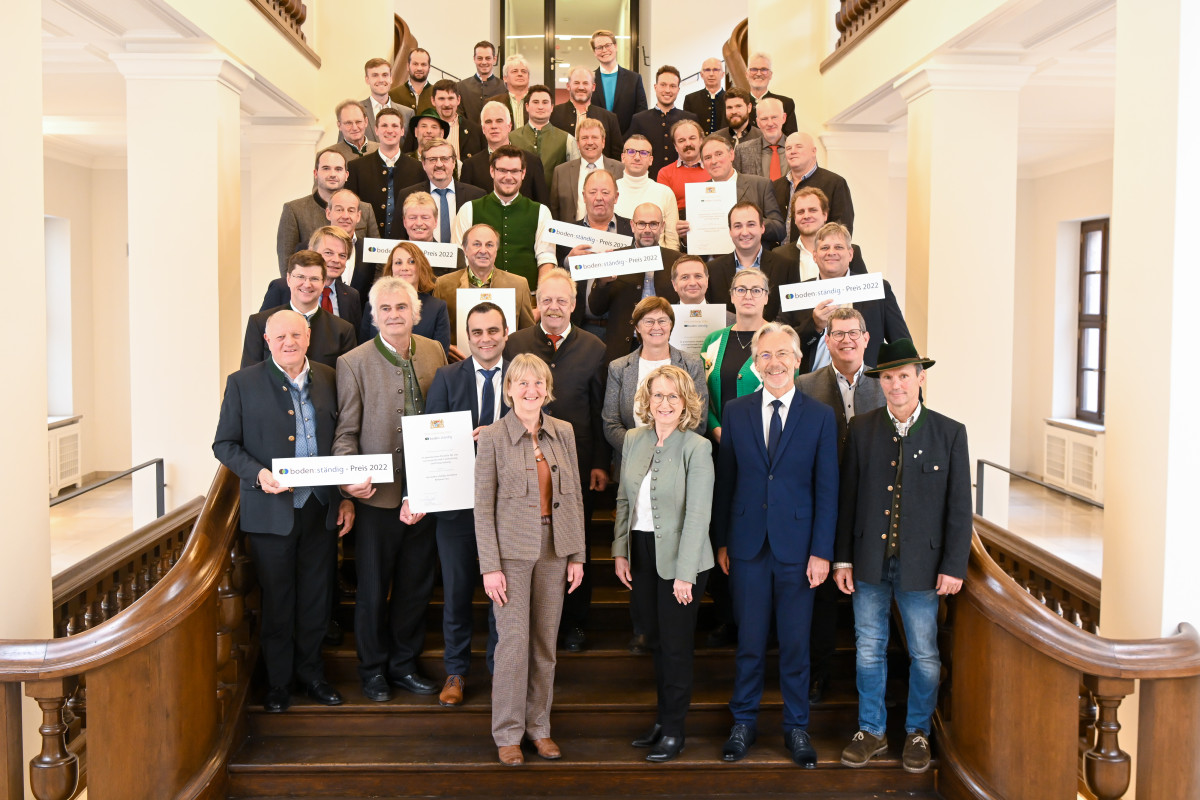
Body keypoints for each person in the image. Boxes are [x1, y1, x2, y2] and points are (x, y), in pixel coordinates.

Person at [833, 338, 971, 775]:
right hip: (869, 561)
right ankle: (871, 730)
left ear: (920, 378)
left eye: (904, 376)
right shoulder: (862, 429)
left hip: (924, 566)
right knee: (868, 649)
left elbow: (958, 508)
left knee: (925, 655)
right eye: (888, 377)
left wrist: (953, 564)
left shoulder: (950, 432)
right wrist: (842, 559)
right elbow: (848, 499)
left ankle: (917, 733)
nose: (896, 384)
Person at [213, 309, 354, 713]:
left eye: (296, 334)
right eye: (280, 337)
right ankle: (278, 683)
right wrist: (258, 474)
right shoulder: (242, 383)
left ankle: (312, 676)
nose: (289, 342)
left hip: (320, 509)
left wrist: (345, 497)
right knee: (278, 601)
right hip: (272, 512)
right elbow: (224, 444)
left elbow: (341, 441)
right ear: (267, 342)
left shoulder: (330, 378)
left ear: (308, 337)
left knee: (316, 598)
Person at [712, 321, 838, 767]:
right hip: (746, 546)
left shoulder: (821, 415)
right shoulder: (736, 410)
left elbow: (828, 489)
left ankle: (796, 727)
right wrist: (722, 542)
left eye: (783, 353)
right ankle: (743, 722)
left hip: (800, 552)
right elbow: (726, 480)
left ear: (798, 359)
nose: (775, 362)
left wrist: (822, 551)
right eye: (765, 355)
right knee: (748, 641)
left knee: (795, 643)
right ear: (754, 362)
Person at [333, 276, 448, 703]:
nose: (394, 315)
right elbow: (346, 433)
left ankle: (403, 664)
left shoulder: (434, 351)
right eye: (386, 309)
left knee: (416, 585)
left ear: (415, 312)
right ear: (374, 314)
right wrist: (348, 480)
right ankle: (372, 670)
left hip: (427, 493)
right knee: (373, 586)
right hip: (378, 498)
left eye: (401, 307)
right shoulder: (354, 362)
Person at [475, 352, 586, 766]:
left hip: (555, 549)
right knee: (514, 643)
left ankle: (539, 728)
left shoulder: (564, 432)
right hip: (510, 555)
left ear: (547, 389)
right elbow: (482, 507)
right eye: (522, 383)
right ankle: (507, 733)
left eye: (538, 383)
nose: (530, 390)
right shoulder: (493, 437)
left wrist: (576, 554)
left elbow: (572, 495)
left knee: (544, 643)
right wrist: (490, 566)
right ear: (508, 389)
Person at [612, 365, 714, 762]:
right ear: (647, 401)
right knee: (653, 641)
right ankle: (661, 719)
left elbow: (698, 515)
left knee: (675, 647)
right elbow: (623, 500)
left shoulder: (696, 447)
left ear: (686, 401)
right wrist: (620, 551)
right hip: (641, 552)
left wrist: (685, 574)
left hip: (682, 560)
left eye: (673, 396)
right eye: (658, 395)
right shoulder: (635, 440)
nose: (665, 403)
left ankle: (675, 730)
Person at [503, 269, 609, 653]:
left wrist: (600, 462)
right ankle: (532, 622)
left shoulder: (594, 347)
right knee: (530, 545)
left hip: (577, 466)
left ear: (574, 304)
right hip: (523, 466)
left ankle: (574, 624)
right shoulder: (515, 344)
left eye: (562, 300)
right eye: (546, 299)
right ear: (536, 304)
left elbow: (600, 411)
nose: (554, 307)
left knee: (573, 544)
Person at [423, 301, 511, 706]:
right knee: (457, 591)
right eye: (477, 332)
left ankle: (499, 672)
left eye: (493, 331)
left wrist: (498, 433)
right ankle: (455, 672)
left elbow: (540, 428)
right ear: (467, 338)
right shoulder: (445, 377)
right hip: (457, 504)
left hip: (510, 506)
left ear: (506, 333)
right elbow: (429, 440)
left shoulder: (523, 375)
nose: (485, 339)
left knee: (503, 594)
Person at [796, 307, 885, 703]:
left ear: (866, 339)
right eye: (838, 334)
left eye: (854, 333)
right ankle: (817, 673)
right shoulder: (804, 385)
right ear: (827, 340)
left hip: (872, 506)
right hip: (819, 506)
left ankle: (871, 679)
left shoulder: (887, 385)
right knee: (820, 598)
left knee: (870, 591)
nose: (846, 339)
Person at [602, 297, 707, 474]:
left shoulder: (692, 364)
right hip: (632, 462)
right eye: (648, 321)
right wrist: (641, 450)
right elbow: (611, 423)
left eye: (662, 321)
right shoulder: (619, 368)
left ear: (671, 325)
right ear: (637, 327)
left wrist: (667, 451)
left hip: (678, 463)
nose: (656, 327)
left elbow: (699, 419)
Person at [789, 222, 909, 374]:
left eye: (838, 247)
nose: (831, 252)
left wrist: (913, 395)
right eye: (825, 248)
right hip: (811, 388)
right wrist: (815, 327)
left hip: (867, 386)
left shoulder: (877, 289)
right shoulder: (796, 294)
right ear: (814, 255)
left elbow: (902, 345)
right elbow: (784, 348)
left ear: (851, 254)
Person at [452, 145, 559, 290]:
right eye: (502, 170)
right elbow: (460, 260)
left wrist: (540, 304)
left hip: (529, 299)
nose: (508, 177)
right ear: (492, 171)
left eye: (515, 171)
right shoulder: (468, 209)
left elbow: (546, 259)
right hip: (479, 298)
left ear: (523, 173)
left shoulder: (541, 212)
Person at [588, 203, 681, 364]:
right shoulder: (615, 258)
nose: (647, 229)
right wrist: (602, 283)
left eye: (653, 224)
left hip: (667, 347)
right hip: (624, 349)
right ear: (632, 225)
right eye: (641, 223)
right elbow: (596, 309)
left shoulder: (677, 261)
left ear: (662, 227)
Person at [241, 251, 357, 370]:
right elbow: (247, 379)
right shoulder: (259, 323)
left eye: (314, 279)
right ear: (288, 279)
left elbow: (346, 382)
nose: (307, 284)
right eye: (300, 277)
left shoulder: (342, 330)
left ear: (323, 283)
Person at [434, 223, 536, 357]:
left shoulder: (519, 285)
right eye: (477, 244)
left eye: (489, 245)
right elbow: (436, 334)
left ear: (496, 250)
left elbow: (528, 335)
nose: (483, 250)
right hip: (460, 365)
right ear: (464, 248)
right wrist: (447, 348)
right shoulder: (444, 284)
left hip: (507, 366)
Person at [276, 148, 379, 277]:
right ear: (315, 173)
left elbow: (377, 259)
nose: (332, 174)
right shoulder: (294, 210)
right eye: (326, 168)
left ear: (346, 175)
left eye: (338, 169)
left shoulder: (365, 209)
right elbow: (287, 265)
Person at [678, 134, 785, 248]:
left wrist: (752, 222)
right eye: (708, 157)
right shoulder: (697, 194)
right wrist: (685, 237)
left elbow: (779, 231)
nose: (714, 161)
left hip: (753, 262)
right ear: (703, 163)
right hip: (712, 261)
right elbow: (692, 242)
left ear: (731, 155)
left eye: (719, 154)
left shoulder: (760, 185)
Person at [261, 226, 363, 340]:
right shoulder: (282, 288)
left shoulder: (351, 296)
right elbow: (262, 333)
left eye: (342, 255)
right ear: (311, 251)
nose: (336, 260)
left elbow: (354, 342)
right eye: (328, 253)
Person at [345, 107, 425, 240]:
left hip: (407, 242)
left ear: (402, 131)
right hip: (367, 242)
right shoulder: (356, 167)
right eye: (384, 125)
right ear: (376, 130)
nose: (389, 130)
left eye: (394, 125)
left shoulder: (418, 168)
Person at [704, 201, 792, 321]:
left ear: (762, 228)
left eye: (751, 224)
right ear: (730, 231)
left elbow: (790, 317)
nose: (744, 232)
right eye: (738, 226)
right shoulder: (712, 270)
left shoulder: (786, 267)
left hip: (772, 338)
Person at [360, 241, 451, 356]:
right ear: (391, 268)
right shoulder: (372, 305)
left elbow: (440, 356)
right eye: (398, 262)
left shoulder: (437, 308)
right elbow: (362, 352)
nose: (404, 268)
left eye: (411, 262)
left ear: (421, 267)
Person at [460, 100, 551, 205]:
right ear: (483, 128)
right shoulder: (470, 166)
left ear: (509, 126)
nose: (494, 126)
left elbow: (543, 206)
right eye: (488, 122)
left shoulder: (532, 162)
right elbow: (466, 208)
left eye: (499, 121)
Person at [396, 139, 486, 243]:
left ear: (453, 162)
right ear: (424, 164)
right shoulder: (406, 195)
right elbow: (398, 239)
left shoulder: (476, 196)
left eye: (444, 159)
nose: (439, 164)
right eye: (432, 159)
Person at [774, 132, 855, 237]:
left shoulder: (835, 183)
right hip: (780, 252)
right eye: (788, 148)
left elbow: (842, 228)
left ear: (814, 151)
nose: (793, 151)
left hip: (818, 252)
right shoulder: (775, 186)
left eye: (799, 147)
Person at [625, 66, 699, 179]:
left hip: (683, 182)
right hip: (649, 182)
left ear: (678, 89)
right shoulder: (639, 119)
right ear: (655, 87)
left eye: (672, 86)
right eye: (663, 85)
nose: (667, 90)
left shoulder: (690, 119)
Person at [549, 117, 624, 223]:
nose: (589, 142)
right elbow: (554, 211)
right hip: (570, 236)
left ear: (603, 142)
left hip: (609, 235)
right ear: (578, 144)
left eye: (594, 137)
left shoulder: (620, 170)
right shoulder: (561, 172)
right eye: (584, 138)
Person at [615, 136, 681, 250]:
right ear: (623, 157)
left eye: (643, 153)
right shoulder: (609, 192)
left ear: (651, 160)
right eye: (631, 152)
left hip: (658, 263)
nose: (636, 157)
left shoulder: (664, 193)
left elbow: (672, 242)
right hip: (617, 262)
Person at [548, 66, 623, 159]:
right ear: (568, 86)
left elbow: (617, 156)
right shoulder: (553, 114)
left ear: (593, 87)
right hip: (563, 172)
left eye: (585, 83)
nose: (581, 87)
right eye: (576, 83)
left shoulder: (609, 118)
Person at [509, 84, 581, 179]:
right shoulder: (511, 138)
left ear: (551, 107)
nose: (540, 107)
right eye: (535, 102)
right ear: (527, 106)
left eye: (545, 102)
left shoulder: (567, 139)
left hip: (555, 193)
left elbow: (575, 175)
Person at [396, 191, 469, 275]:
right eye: (412, 218)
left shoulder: (455, 255)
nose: (419, 223)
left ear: (435, 221)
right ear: (404, 222)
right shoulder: (389, 253)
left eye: (425, 217)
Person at [590, 29, 648, 134]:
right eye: (599, 47)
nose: (604, 50)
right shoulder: (589, 80)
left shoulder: (634, 79)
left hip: (627, 143)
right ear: (594, 52)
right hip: (595, 142)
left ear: (615, 46)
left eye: (608, 45)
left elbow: (642, 114)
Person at [655, 119, 708, 213]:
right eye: (681, 140)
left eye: (692, 138)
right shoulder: (665, 174)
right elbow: (664, 210)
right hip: (677, 225)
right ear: (675, 146)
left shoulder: (714, 168)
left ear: (701, 141)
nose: (688, 143)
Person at [732, 98, 789, 181]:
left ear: (783, 118)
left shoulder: (800, 150)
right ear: (758, 122)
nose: (770, 123)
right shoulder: (741, 151)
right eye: (764, 119)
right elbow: (736, 186)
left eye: (774, 117)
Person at [429, 79, 485, 162]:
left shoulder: (476, 131)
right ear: (433, 101)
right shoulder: (422, 129)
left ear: (458, 100)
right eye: (441, 99)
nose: (447, 104)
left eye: (451, 98)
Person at [360, 57, 414, 143]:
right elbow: (343, 148)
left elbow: (410, 149)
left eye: (385, 75)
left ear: (391, 78)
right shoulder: (356, 111)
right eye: (375, 75)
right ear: (367, 80)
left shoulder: (407, 113)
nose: (381, 80)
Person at [745, 52, 798, 135]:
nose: (758, 74)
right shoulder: (737, 105)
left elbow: (791, 138)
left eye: (764, 70)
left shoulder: (786, 103)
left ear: (770, 75)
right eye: (754, 69)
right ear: (747, 74)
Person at [456, 40, 503, 124]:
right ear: (474, 59)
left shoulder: (504, 87)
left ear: (494, 59)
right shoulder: (461, 87)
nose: (484, 62)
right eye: (480, 58)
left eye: (488, 58)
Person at [486, 53, 532, 130]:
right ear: (505, 78)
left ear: (528, 77)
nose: (520, 74)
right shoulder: (493, 103)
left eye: (524, 71)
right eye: (515, 71)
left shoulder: (538, 102)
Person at [682, 57, 727, 135]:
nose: (711, 74)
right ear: (702, 75)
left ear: (722, 74)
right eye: (707, 70)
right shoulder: (691, 99)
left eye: (716, 70)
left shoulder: (731, 99)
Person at [389, 47, 434, 113]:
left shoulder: (438, 94)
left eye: (423, 64)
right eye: (415, 64)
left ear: (429, 68)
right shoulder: (393, 95)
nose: (419, 68)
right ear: (408, 66)